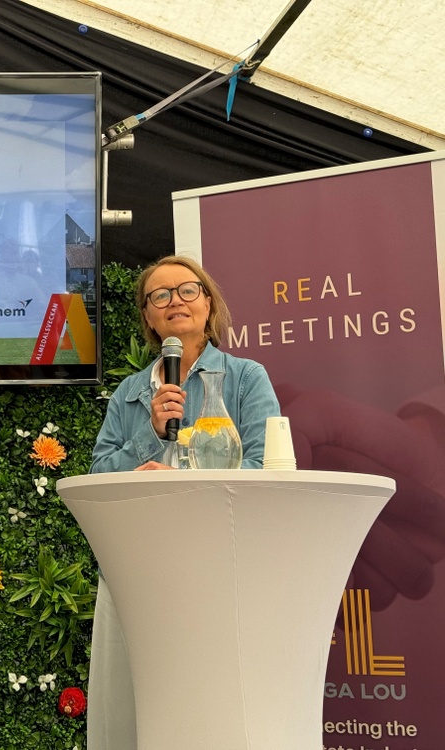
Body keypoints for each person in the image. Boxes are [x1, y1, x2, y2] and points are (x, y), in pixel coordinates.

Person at [87, 254, 280, 750]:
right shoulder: (130, 394)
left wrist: (181, 477)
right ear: (149, 317)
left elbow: (265, 469)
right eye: (160, 295)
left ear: (208, 302)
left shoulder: (245, 378)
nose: (175, 301)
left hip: (213, 563)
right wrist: (150, 435)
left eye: (187, 290)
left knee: (209, 706)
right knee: (137, 709)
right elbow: (98, 476)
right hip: (137, 565)